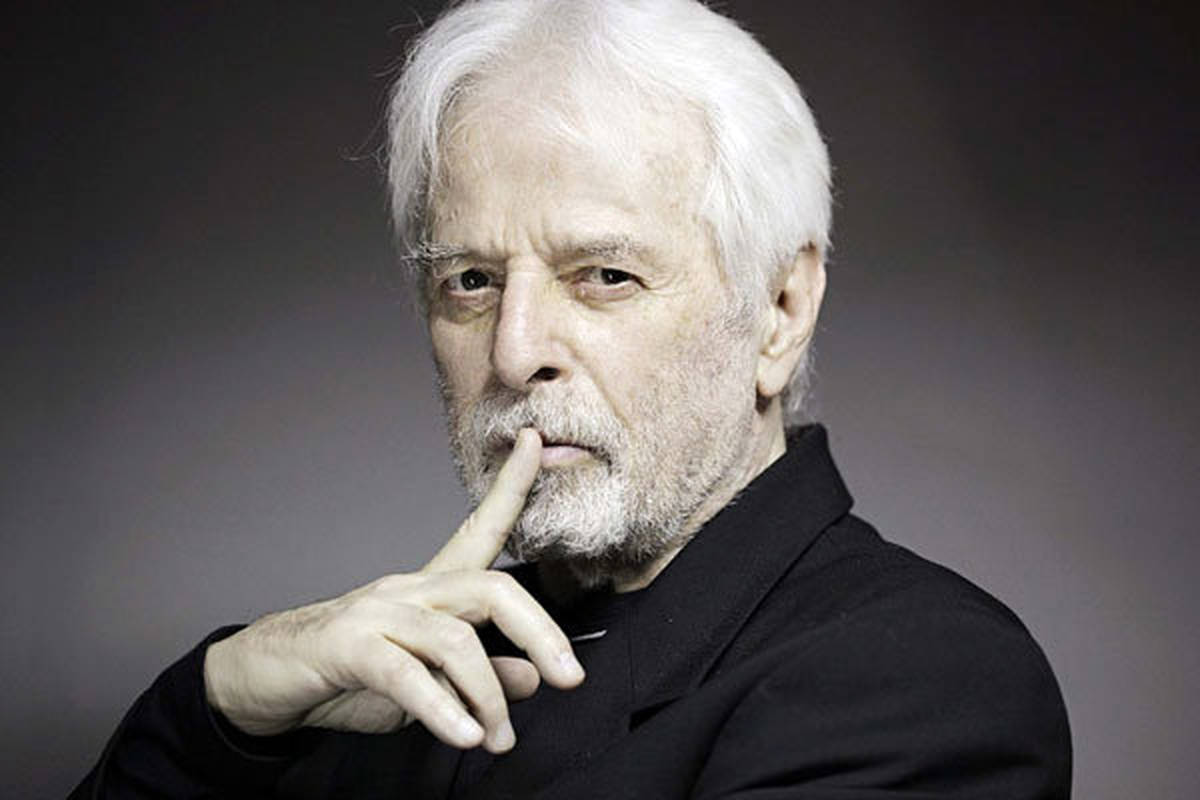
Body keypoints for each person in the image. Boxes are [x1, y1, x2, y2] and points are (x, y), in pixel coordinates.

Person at [72, 1, 1071, 797]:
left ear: (780, 310)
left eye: (603, 276)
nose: (513, 353)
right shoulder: (371, 682)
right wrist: (223, 704)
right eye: (470, 280)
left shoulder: (929, 681)